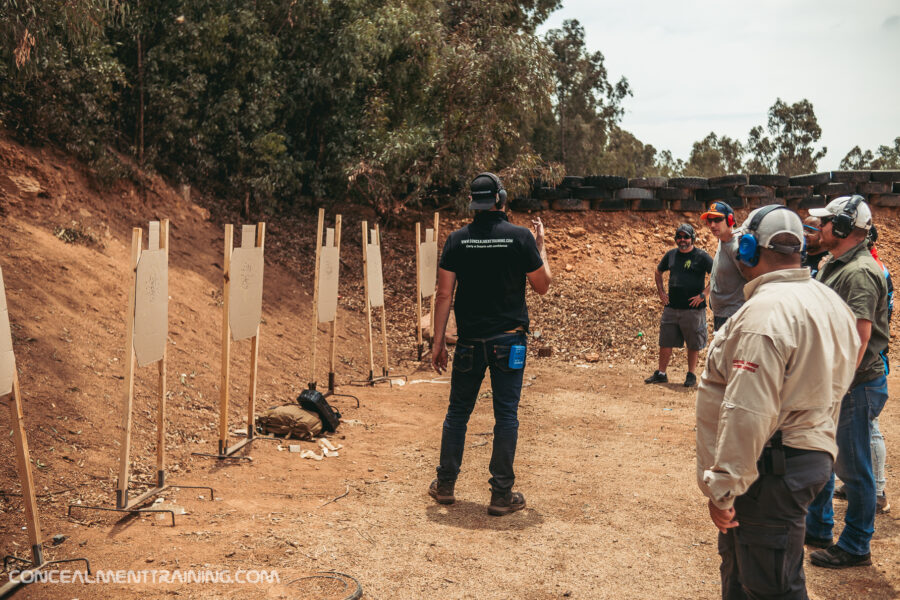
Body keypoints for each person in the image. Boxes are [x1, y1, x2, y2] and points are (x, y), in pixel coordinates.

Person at [696, 205, 859, 599]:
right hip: (802, 458)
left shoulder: (764, 314)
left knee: (772, 586)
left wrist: (723, 488)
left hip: (769, 469)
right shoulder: (828, 301)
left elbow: (747, 412)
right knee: (742, 571)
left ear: (748, 248)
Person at [429, 172, 551, 516]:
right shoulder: (521, 237)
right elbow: (543, 285)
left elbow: (443, 295)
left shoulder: (456, 240)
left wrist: (438, 343)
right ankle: (501, 495)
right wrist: (542, 249)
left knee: (457, 413)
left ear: (473, 202)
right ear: (501, 198)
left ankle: (446, 486)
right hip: (509, 342)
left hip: (469, 343)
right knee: (506, 416)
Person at [804, 195, 890, 569]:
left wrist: (837, 389)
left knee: (854, 471)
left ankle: (856, 544)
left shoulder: (858, 272)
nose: (818, 228)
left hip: (852, 386)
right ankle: (819, 529)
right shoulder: (837, 264)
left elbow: (859, 336)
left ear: (840, 227)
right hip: (839, 384)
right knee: (824, 459)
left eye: (824, 223)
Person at [645, 224, 713, 387]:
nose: (682, 240)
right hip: (671, 307)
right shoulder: (671, 255)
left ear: (692, 238)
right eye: (679, 237)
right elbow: (658, 271)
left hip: (693, 310)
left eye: (686, 237)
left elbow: (717, 275)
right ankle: (661, 373)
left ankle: (691, 375)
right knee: (666, 340)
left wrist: (704, 294)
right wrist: (661, 292)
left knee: (693, 342)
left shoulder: (702, 257)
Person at [700, 201, 746, 331]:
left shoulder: (736, 247)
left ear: (730, 220)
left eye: (718, 219)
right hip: (721, 314)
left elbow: (752, 280)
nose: (712, 225)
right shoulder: (722, 240)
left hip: (733, 317)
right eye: (709, 221)